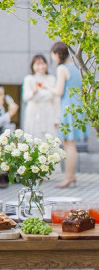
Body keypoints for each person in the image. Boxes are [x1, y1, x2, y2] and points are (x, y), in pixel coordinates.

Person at [51, 41, 86, 188]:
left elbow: (59, 91)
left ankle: (69, 176)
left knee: (69, 144)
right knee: (70, 143)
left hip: (68, 109)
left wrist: (47, 86)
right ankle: (70, 175)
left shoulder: (62, 69)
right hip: (77, 108)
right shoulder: (75, 67)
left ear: (57, 54)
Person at [22, 54, 60, 140]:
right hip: (34, 113)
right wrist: (33, 92)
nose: (41, 67)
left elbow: (56, 99)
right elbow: (25, 97)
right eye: (38, 64)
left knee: (50, 139)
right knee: (33, 138)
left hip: (49, 112)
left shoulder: (51, 79)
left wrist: (57, 118)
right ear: (32, 66)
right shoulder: (29, 79)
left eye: (43, 63)